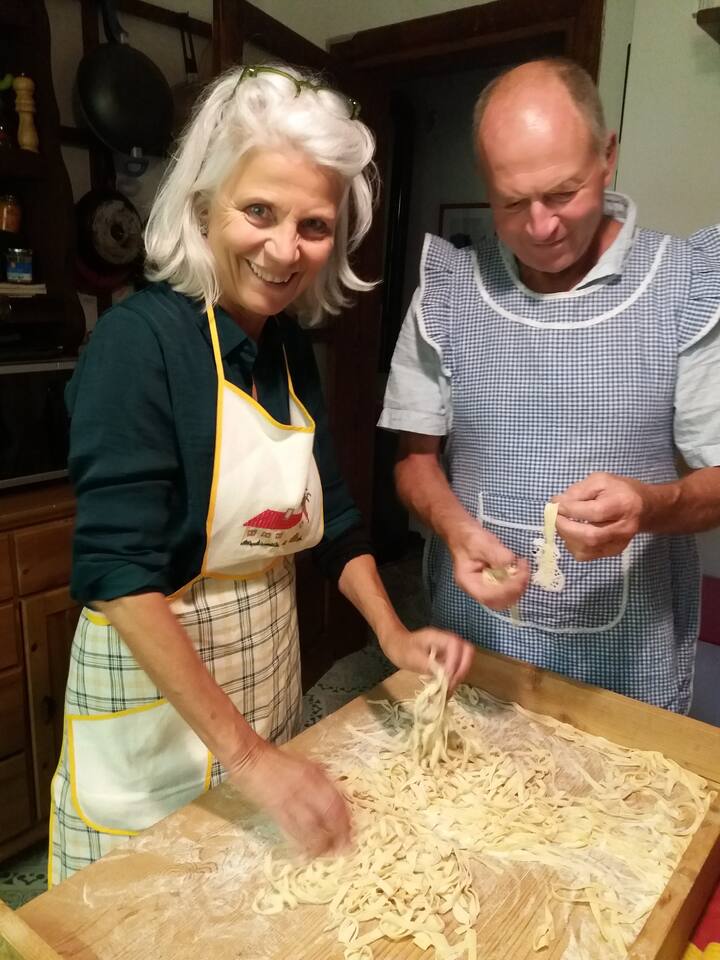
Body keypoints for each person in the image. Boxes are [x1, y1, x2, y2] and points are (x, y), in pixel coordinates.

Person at [51, 63, 474, 886]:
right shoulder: (138, 345)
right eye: (259, 212)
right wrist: (247, 758)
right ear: (202, 204)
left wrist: (392, 636)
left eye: (314, 225)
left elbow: (335, 518)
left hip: (263, 682)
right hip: (152, 713)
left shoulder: (283, 347)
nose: (285, 251)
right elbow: (118, 576)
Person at [379, 58, 720, 714]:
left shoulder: (683, 285)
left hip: (627, 651)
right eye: (512, 202)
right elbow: (414, 461)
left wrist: (652, 505)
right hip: (477, 636)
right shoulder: (449, 291)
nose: (540, 227)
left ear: (607, 156)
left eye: (564, 193)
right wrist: (455, 529)